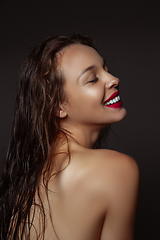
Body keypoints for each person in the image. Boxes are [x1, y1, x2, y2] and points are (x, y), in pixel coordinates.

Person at [0, 33, 139, 240]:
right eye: (92, 79)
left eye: (106, 69)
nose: (113, 79)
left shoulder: (23, 184)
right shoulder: (117, 168)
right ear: (58, 106)